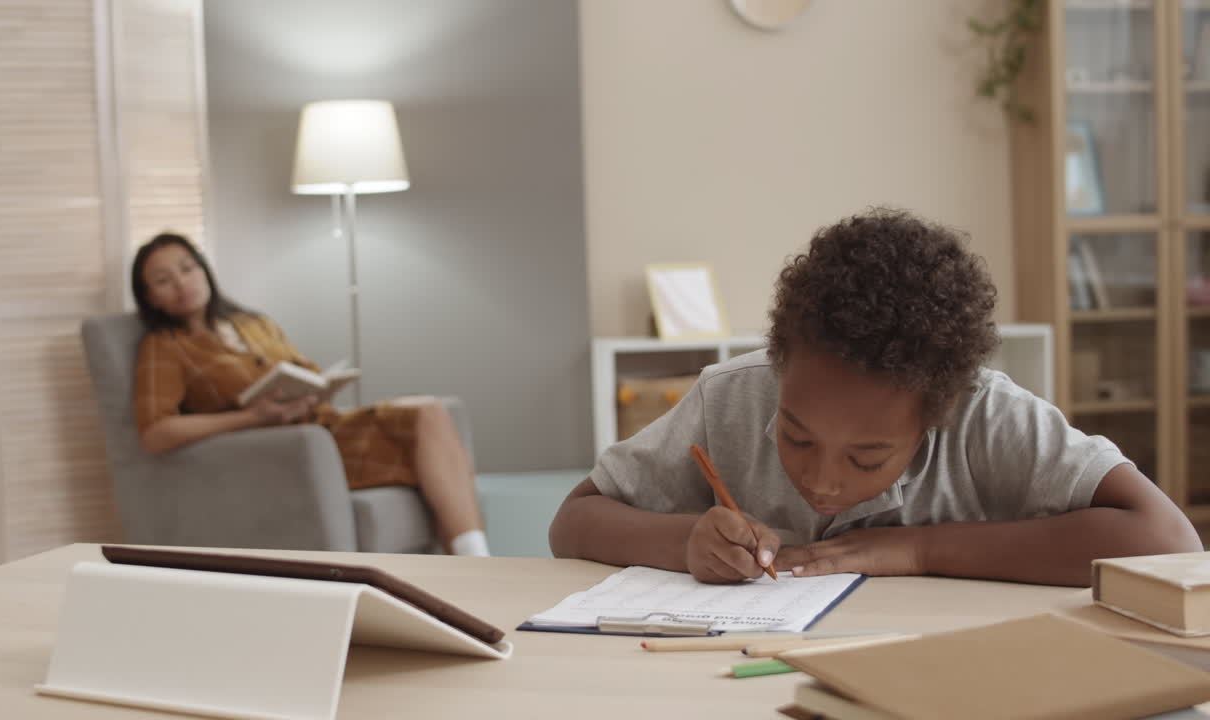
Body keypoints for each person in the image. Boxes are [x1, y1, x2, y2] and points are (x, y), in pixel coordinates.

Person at [549, 208, 1200, 587]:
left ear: (938, 414)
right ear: (781, 368)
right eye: (796, 437)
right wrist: (686, 541)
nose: (821, 479)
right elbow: (573, 522)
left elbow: (1169, 543)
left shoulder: (984, 414)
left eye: (867, 458)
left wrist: (917, 549)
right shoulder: (732, 396)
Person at [131, 232, 490, 557]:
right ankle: (474, 562)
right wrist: (251, 417)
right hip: (291, 452)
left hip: (327, 426)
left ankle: (472, 560)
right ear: (150, 298)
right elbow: (155, 433)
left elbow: (304, 370)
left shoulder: (252, 323)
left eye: (187, 268)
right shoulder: (164, 347)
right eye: (163, 280)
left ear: (203, 269)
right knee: (430, 441)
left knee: (430, 411)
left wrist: (317, 389)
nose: (182, 283)